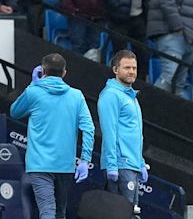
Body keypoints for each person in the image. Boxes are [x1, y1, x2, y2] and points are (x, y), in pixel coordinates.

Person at [10, 53, 95, 219]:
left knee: (48, 211)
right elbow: (89, 128)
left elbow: (14, 112)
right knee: (58, 213)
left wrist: (31, 85)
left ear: (43, 71)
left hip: (39, 164)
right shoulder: (76, 96)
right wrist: (85, 159)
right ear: (64, 73)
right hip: (65, 165)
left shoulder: (34, 92)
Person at [98, 50, 149, 216]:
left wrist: (140, 162)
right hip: (120, 164)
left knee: (131, 214)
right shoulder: (111, 95)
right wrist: (112, 164)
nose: (132, 71)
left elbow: (135, 135)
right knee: (124, 214)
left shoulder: (131, 97)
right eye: (127, 67)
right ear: (115, 70)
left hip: (131, 164)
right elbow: (109, 132)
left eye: (134, 68)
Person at [146, 0, 193, 100]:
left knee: (179, 85)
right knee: (168, 76)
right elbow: (166, 0)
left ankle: (175, 115)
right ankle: (148, 109)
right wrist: (178, 26)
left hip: (188, 38)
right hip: (173, 34)